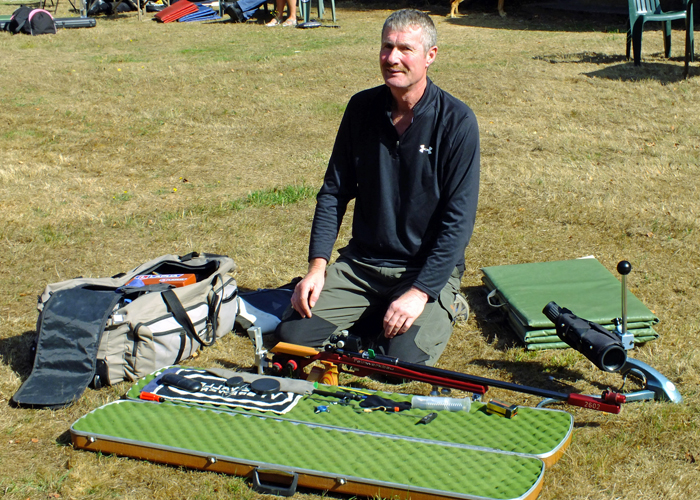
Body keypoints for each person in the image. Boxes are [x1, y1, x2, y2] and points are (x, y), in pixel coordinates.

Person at [274, 9, 480, 366]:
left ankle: (441, 302)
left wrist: (420, 292)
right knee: (292, 338)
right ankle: (375, 308)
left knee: (400, 363)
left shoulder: (457, 121)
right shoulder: (361, 108)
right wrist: (317, 267)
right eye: (387, 47)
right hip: (363, 264)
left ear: (430, 56)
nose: (393, 58)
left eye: (405, 49)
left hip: (424, 268)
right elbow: (333, 192)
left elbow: (458, 222)